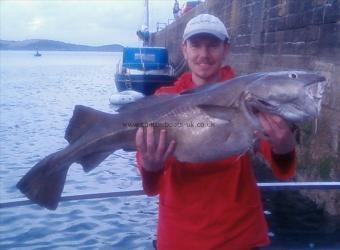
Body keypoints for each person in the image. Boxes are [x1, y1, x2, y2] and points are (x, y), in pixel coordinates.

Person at [135, 14, 296, 250]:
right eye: (196, 45)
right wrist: (150, 166)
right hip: (180, 239)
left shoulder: (250, 96)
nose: (204, 54)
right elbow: (151, 186)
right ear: (184, 49)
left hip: (242, 237)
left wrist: (283, 145)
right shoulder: (163, 100)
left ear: (225, 49)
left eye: (212, 45)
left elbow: (281, 167)